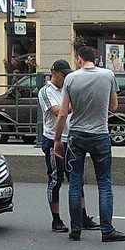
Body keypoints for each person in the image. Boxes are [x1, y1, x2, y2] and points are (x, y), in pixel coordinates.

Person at [53, 45, 125, 242]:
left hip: (77, 136)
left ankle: (75, 230)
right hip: (100, 135)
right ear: (93, 59)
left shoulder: (71, 78)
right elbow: (114, 106)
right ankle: (107, 230)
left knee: (75, 184)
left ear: (79, 59)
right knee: (104, 184)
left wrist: (57, 140)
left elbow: (63, 113)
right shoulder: (108, 75)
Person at [39, 59, 98, 234]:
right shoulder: (46, 91)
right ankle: (56, 219)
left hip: (72, 139)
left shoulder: (69, 89)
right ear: (54, 73)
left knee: (76, 180)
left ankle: (82, 216)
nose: (65, 78)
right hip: (53, 139)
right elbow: (58, 112)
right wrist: (76, 103)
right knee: (56, 179)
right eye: (63, 75)